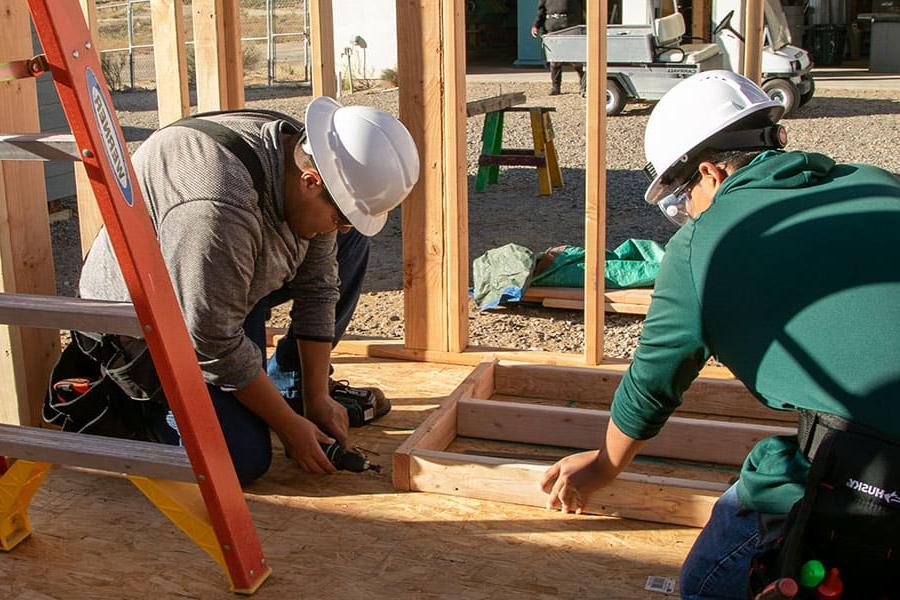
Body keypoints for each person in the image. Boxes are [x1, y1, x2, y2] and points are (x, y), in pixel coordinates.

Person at [539, 71, 900, 598]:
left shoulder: (702, 244)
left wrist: (601, 467)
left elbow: (652, 385)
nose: (682, 215)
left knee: (710, 575)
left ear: (709, 171)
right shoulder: (876, 182)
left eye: (678, 200)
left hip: (877, 479)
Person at [73, 97, 420, 484]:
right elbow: (213, 341)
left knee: (350, 244)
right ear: (310, 182)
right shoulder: (215, 205)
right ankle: (138, 411)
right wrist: (288, 427)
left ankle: (291, 386)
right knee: (239, 460)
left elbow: (319, 285)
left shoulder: (302, 155)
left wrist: (316, 397)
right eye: (341, 216)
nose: (341, 226)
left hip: (217, 286)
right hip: (141, 323)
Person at [531, 0, 585, 96]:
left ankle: (584, 85)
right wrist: (536, 25)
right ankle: (555, 87)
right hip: (552, 27)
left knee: (576, 60)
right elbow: (541, 10)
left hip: (570, 27)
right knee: (555, 60)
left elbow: (581, 8)